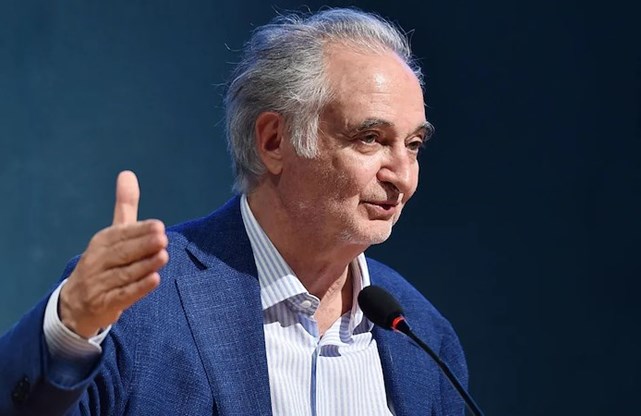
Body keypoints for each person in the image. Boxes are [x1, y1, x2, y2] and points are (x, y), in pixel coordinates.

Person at [0, 8, 468, 415]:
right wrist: (69, 331)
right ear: (274, 141)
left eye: (413, 145)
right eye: (370, 139)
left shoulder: (423, 335)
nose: (403, 177)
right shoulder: (139, 303)